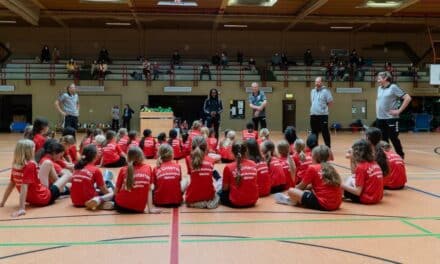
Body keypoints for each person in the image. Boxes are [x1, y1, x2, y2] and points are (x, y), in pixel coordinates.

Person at [0, 139, 71, 217]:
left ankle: (62, 189)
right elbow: (24, 186)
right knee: (67, 175)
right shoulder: (30, 164)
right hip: (44, 198)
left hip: (33, 198)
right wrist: (21, 208)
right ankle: (62, 190)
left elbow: (11, 185)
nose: (35, 150)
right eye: (33, 148)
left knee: (48, 163)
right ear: (28, 151)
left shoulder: (15, 165)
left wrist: (3, 202)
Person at [275, 145, 342, 211]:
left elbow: (300, 187)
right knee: (308, 190)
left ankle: (290, 200)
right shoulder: (331, 167)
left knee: (291, 191)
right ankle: (297, 199)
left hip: (325, 204)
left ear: (315, 157)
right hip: (337, 203)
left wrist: (293, 188)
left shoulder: (312, 168)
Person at [375, 71, 411, 158]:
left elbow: (408, 98)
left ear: (385, 78)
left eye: (379, 78)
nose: (377, 80)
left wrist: (399, 111)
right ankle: (387, 156)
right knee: (383, 139)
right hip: (380, 118)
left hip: (391, 118)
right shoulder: (379, 88)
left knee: (393, 138)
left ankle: (400, 156)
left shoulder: (393, 87)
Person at [114, 147, 160, 213]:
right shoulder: (148, 168)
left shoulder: (123, 169)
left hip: (121, 207)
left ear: (128, 157)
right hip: (138, 208)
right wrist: (150, 209)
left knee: (112, 188)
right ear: (142, 156)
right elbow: (149, 190)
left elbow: (115, 192)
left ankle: (101, 200)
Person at [342, 139, 384, 204]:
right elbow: (354, 174)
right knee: (352, 178)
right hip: (378, 197)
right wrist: (352, 158)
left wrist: (341, 185)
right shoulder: (374, 163)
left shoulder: (361, 167)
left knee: (340, 187)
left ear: (357, 152)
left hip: (367, 199)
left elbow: (357, 192)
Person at [220, 140, 259, 208]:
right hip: (253, 200)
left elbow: (225, 189)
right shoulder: (254, 164)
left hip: (236, 202)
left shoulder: (228, 167)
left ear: (232, 152)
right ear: (246, 151)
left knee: (219, 192)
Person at [310, 76, 333, 148]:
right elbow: (312, 102)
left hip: (323, 116)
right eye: (316, 82)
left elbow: (330, 103)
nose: (316, 83)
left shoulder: (326, 91)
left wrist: (323, 109)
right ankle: (314, 147)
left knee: (325, 132)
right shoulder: (312, 91)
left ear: (322, 82)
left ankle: (328, 147)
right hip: (313, 115)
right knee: (314, 132)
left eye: (318, 82)